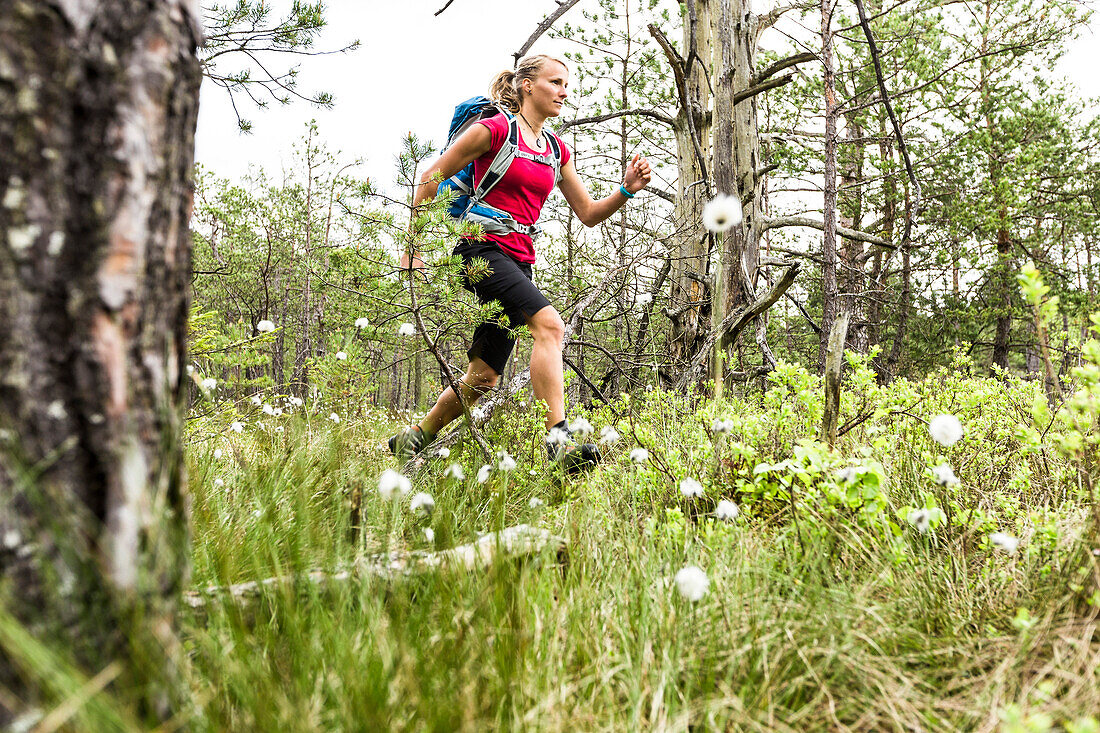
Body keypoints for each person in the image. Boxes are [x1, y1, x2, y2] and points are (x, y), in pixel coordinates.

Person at [390, 54, 652, 472]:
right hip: (478, 250)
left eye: (567, 84)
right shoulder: (494, 130)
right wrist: (413, 246)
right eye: (556, 82)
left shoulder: (555, 150)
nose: (564, 91)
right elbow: (429, 176)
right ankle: (560, 445)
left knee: (484, 378)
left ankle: (414, 437)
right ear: (527, 85)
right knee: (550, 325)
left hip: (519, 258)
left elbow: (587, 212)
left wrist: (627, 189)